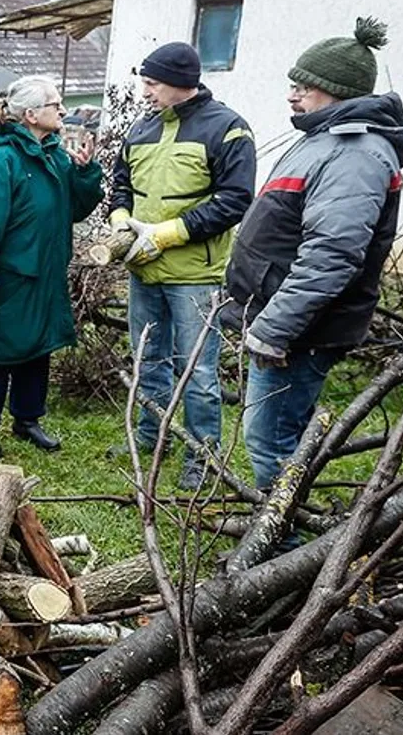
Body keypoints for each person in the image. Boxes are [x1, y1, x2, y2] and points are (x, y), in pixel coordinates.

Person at [223, 18, 403, 492]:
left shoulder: (355, 153)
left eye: (303, 87)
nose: (292, 95)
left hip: (303, 329)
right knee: (283, 430)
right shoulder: (325, 139)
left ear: (337, 91)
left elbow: (332, 254)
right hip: (290, 319)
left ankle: (280, 528)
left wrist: (275, 328)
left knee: (269, 437)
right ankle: (286, 517)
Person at [108, 42, 257, 489]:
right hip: (143, 271)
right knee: (148, 360)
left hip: (194, 276)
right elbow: (120, 185)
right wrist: (121, 223)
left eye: (152, 83)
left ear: (180, 82)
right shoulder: (142, 128)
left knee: (198, 371)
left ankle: (202, 455)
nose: (145, 92)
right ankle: (150, 436)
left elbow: (234, 200)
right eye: (145, 83)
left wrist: (166, 235)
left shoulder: (228, 129)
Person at [0, 75, 104, 459]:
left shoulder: (54, 157)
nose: (63, 110)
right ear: (31, 115)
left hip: (44, 278)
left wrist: (85, 173)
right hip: (7, 282)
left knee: (37, 350)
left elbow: (76, 209)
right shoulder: (0, 162)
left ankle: (27, 419)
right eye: (55, 104)